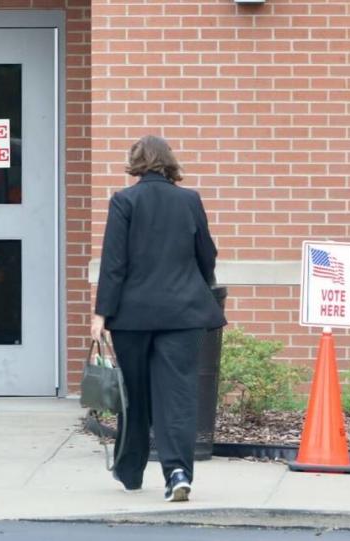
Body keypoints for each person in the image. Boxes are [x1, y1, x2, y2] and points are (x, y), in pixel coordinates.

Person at [91, 135, 226, 502]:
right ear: (169, 163)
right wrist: (201, 284)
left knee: (133, 394)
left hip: (131, 317)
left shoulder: (124, 201)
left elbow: (114, 263)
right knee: (178, 394)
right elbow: (206, 254)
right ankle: (178, 471)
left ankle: (131, 469)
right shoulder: (189, 200)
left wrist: (101, 313)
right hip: (184, 314)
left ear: (135, 163)